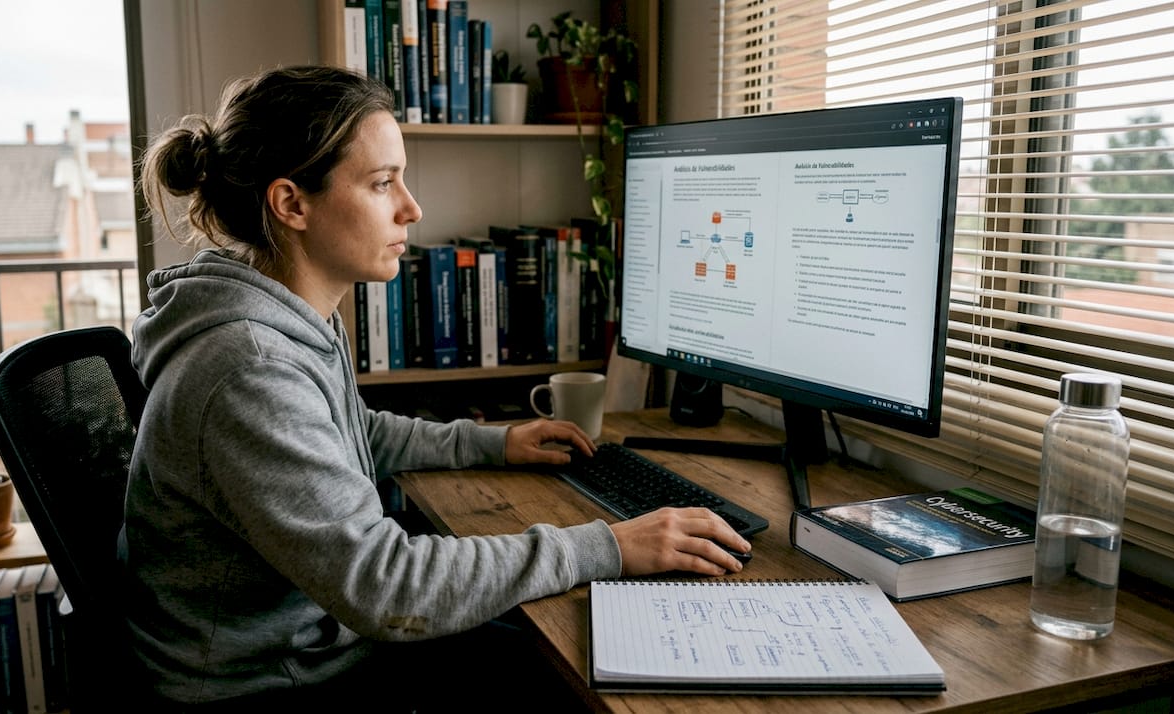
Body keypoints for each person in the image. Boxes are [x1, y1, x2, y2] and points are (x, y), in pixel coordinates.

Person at [123, 64, 751, 711]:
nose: (411, 208)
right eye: (381, 183)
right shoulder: (249, 367)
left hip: (308, 642)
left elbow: (353, 431)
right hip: (268, 685)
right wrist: (608, 545)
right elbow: (386, 587)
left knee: (559, 645)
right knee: (572, 670)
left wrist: (493, 442)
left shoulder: (280, 318)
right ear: (291, 204)